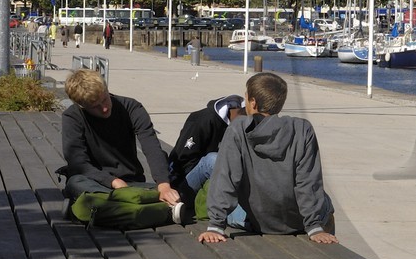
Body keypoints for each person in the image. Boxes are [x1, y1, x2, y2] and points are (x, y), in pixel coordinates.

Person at [198, 72, 337, 244]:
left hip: (259, 221)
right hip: (300, 222)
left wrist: (216, 225)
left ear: (253, 102)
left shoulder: (238, 128)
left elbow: (226, 177)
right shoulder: (302, 129)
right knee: (325, 202)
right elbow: (309, 182)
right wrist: (314, 226)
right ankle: (326, 240)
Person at [57, 68, 182, 229]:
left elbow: (151, 146)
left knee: (173, 191)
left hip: (132, 184)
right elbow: (78, 163)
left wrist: (164, 185)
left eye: (105, 99)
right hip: (96, 183)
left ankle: (88, 210)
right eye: (95, 106)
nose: (104, 108)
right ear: (81, 106)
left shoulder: (131, 107)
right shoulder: (72, 117)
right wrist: (113, 182)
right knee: (75, 182)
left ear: (107, 89)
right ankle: (149, 209)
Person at [168, 93, 245, 200]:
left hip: (219, 182)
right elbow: (182, 160)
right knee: (213, 160)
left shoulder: (240, 124)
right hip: (184, 184)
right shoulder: (203, 120)